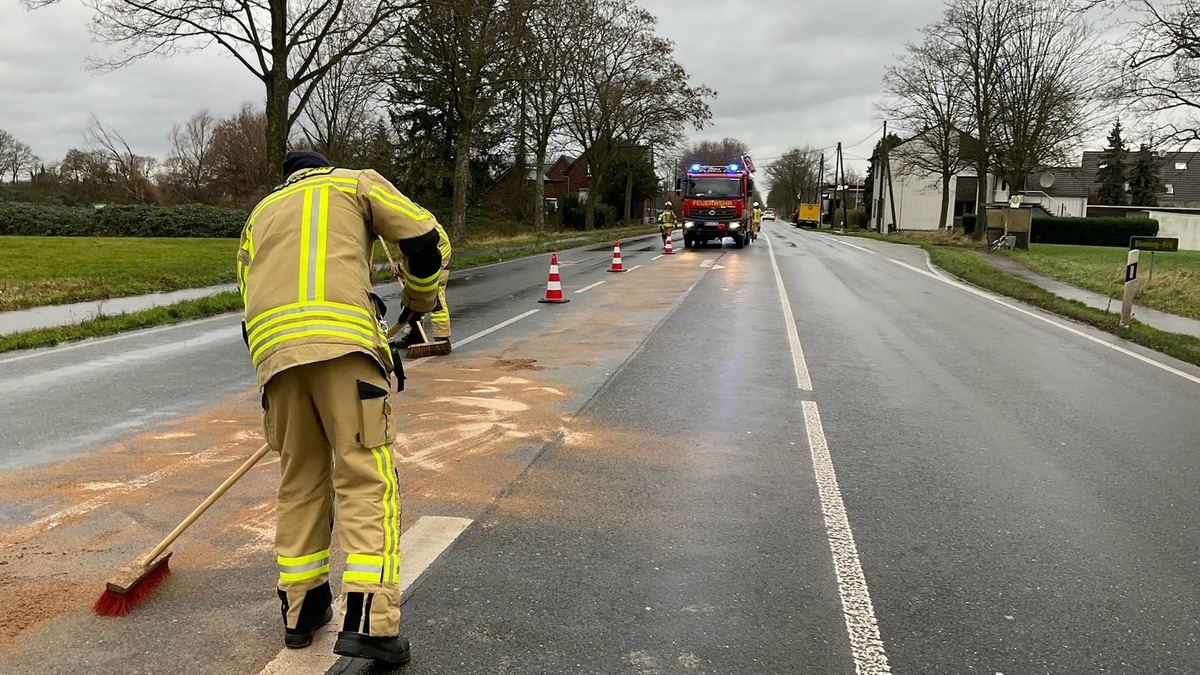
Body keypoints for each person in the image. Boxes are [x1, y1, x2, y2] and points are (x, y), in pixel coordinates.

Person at [237, 150, 444, 666]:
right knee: (364, 475)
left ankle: (301, 611)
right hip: (345, 351)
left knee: (300, 478)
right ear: (321, 166)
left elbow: (247, 297)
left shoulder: (258, 216)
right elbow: (425, 240)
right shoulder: (354, 183)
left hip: (275, 360)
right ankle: (370, 624)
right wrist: (418, 303)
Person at [395, 221, 452, 350]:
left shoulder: (417, 227)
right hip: (425, 251)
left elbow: (419, 255)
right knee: (413, 296)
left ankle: (442, 337)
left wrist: (400, 268)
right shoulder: (407, 221)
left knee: (435, 297)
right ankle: (414, 335)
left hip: (437, 255)